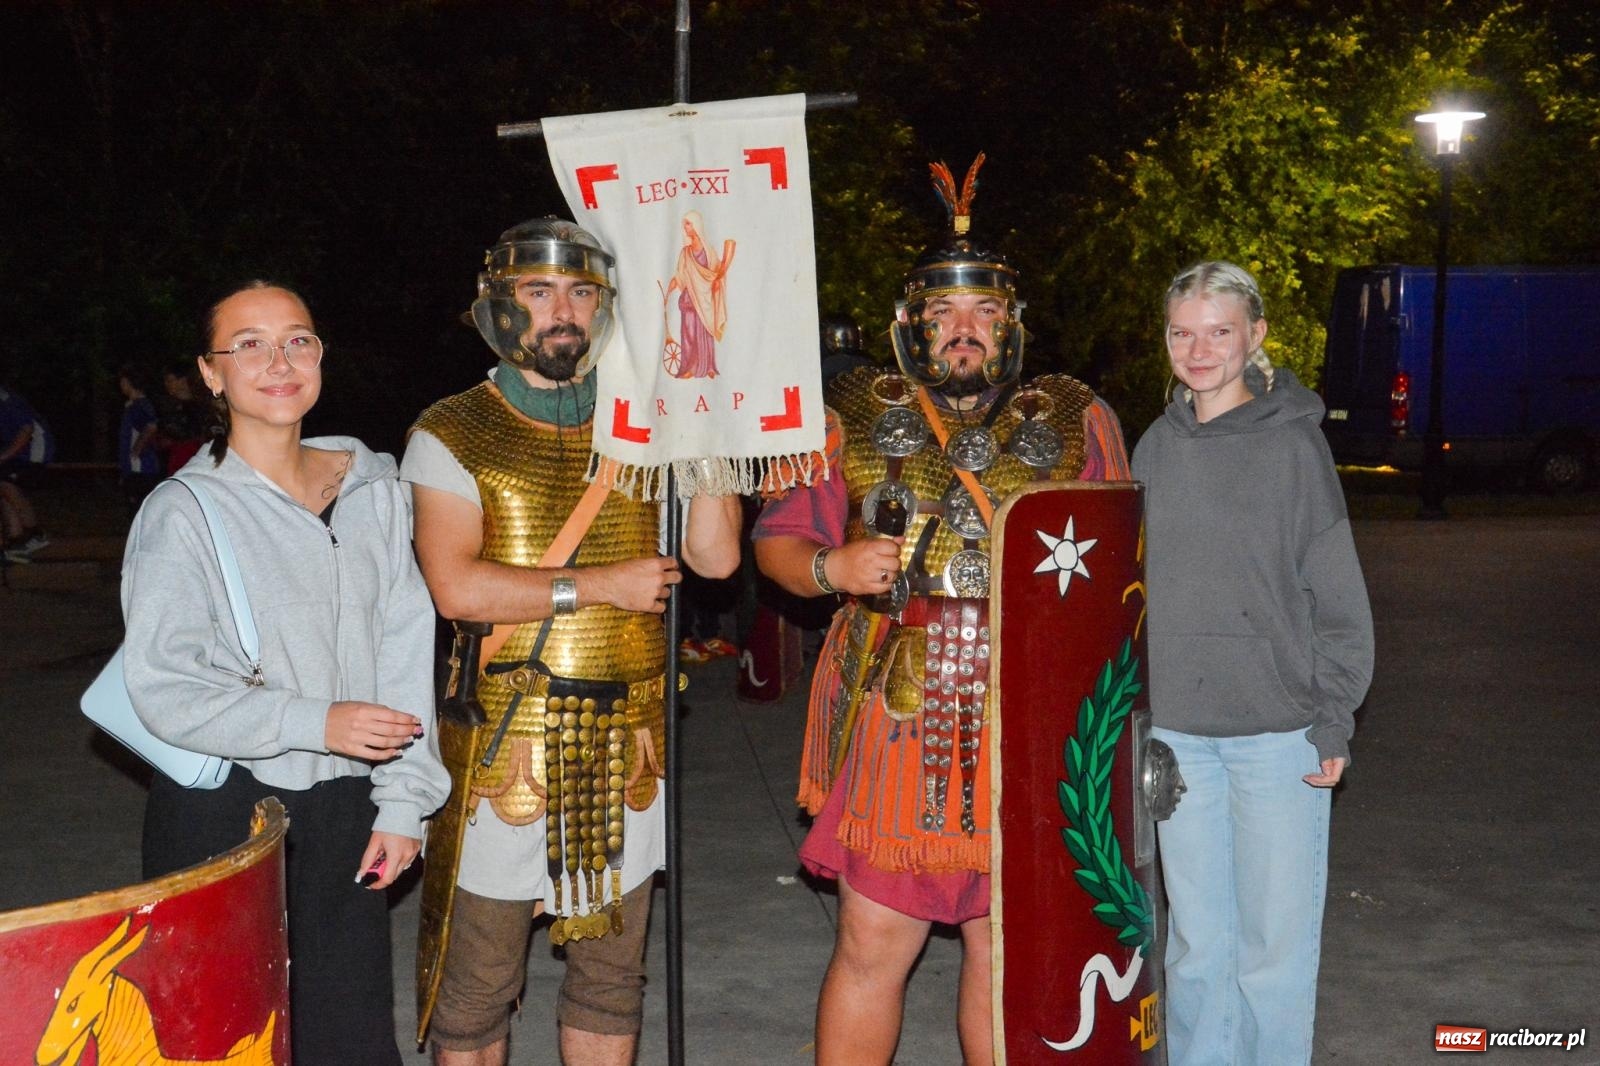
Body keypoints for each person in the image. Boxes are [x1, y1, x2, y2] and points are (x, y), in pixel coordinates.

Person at [752, 159, 1131, 1066]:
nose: (965, 329)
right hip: (901, 705)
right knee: (874, 943)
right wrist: (833, 566)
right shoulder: (842, 414)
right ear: (910, 325)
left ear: (1011, 324)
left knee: (1008, 944)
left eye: (984, 312)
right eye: (944, 312)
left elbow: (1120, 576)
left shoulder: (1076, 416)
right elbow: (777, 546)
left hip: (1030, 713)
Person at [404, 218, 741, 1066]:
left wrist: (700, 425)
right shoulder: (452, 430)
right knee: (478, 989)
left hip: (628, 745)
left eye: (582, 291)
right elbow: (457, 587)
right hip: (507, 748)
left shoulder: (647, 424)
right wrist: (600, 585)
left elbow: (715, 557)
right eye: (540, 291)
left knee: (611, 979)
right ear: (499, 307)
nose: (564, 311)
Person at [120, 280, 451, 1065]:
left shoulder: (374, 490)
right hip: (221, 805)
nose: (280, 362)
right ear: (211, 373)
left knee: (348, 1038)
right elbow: (163, 685)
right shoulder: (183, 510)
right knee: (221, 1037)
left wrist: (405, 803)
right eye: (250, 345)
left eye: (298, 340)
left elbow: (406, 647)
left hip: (346, 806)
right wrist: (315, 720)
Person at [1132, 261, 1373, 1065]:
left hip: (1279, 737)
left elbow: (1338, 598)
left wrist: (1333, 718)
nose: (1199, 350)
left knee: (1273, 952)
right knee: (1197, 949)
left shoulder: (1295, 449)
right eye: (1183, 332)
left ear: (1255, 336)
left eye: (1219, 331)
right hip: (1177, 738)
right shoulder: (1154, 447)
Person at [662, 210, 734, 379]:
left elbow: (716, 273)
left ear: (696, 226)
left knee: (705, 333)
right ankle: (689, 368)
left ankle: (708, 367)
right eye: (684, 224)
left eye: (688, 223)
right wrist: (667, 292)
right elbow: (679, 276)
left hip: (705, 300)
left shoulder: (709, 251)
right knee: (689, 334)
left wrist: (717, 279)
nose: (685, 227)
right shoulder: (685, 253)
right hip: (689, 300)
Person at [0, 383, 54, 560]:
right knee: (3, 488)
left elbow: (27, 429)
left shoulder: (6, 399)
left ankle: (35, 533)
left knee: (6, 484)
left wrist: (4, 456)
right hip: (18, 454)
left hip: (34, 451)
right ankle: (17, 540)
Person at [116, 363, 163, 513]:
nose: (121, 385)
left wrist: (136, 450)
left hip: (141, 468)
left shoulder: (140, 406)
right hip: (133, 468)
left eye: (123, 381)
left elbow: (151, 426)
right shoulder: (133, 406)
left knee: (139, 509)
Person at [159, 357, 211, 472]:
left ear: (183, 381)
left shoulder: (201, 407)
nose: (167, 385)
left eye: (170, 380)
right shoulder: (171, 406)